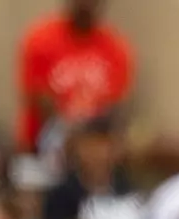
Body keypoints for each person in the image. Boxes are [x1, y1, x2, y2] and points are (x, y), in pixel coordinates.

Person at [16, 0, 132, 156]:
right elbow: (39, 99)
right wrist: (73, 133)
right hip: (42, 148)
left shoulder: (116, 48)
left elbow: (114, 108)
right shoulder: (40, 39)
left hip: (94, 153)